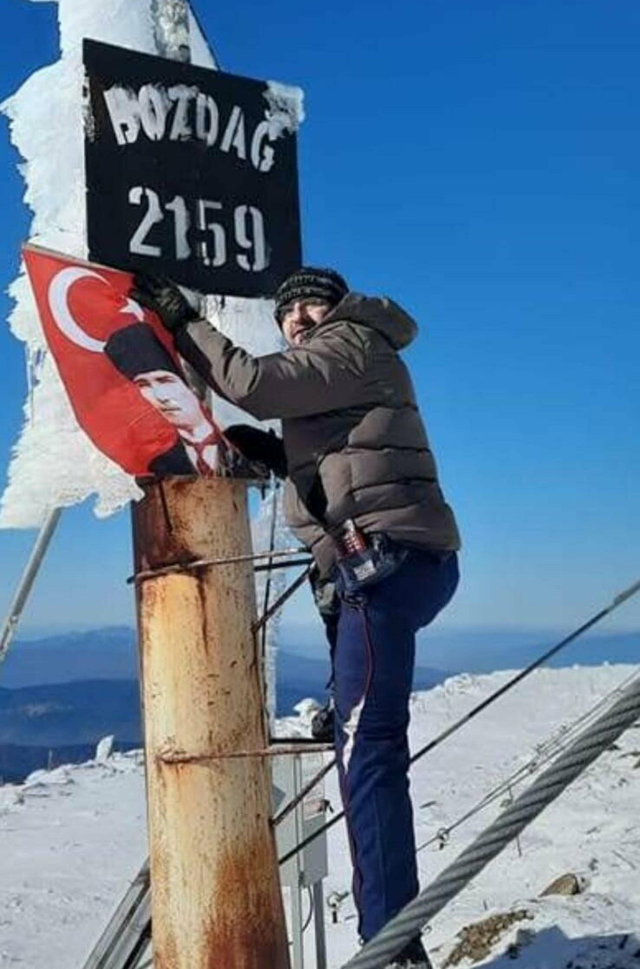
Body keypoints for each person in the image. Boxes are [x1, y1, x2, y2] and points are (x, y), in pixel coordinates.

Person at [131, 267, 461, 969]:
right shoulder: (349, 361)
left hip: (386, 567)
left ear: (336, 307)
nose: (298, 317)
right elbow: (356, 453)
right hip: (386, 567)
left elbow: (253, 383)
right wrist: (287, 458)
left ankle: (393, 946)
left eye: (310, 301)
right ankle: (394, 934)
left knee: (367, 751)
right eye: (287, 311)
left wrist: (181, 321)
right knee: (361, 740)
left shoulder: (353, 340)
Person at [104, 321, 223, 475]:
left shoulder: (244, 441)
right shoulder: (162, 466)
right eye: (143, 385)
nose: (159, 395)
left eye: (164, 381)